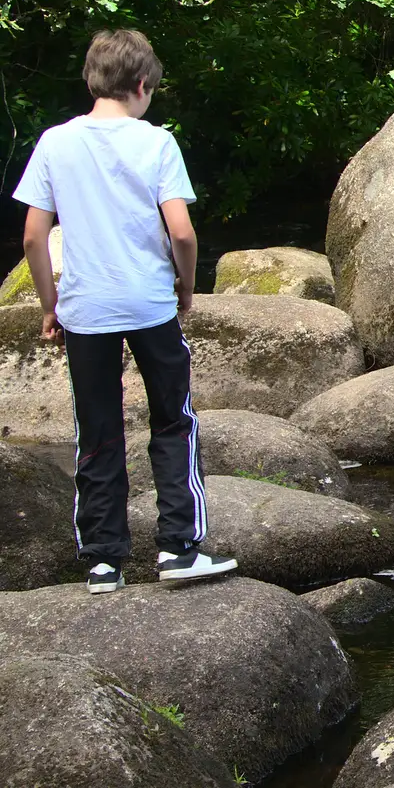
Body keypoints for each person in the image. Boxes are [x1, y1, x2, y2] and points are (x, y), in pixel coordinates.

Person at [12, 29, 237, 593]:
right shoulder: (156, 143)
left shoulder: (54, 143)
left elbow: (34, 238)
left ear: (92, 80)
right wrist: (186, 287)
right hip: (148, 302)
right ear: (142, 86)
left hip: (85, 308)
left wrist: (50, 304)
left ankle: (103, 561)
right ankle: (179, 548)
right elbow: (181, 233)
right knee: (172, 420)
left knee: (98, 429)